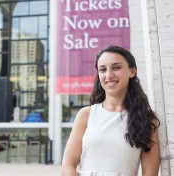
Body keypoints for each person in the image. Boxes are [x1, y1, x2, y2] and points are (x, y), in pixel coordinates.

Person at [62, 45, 160, 176]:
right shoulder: (86, 114)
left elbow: (150, 174)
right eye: (102, 69)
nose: (109, 75)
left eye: (116, 67)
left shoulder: (146, 118)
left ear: (132, 72)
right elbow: (68, 165)